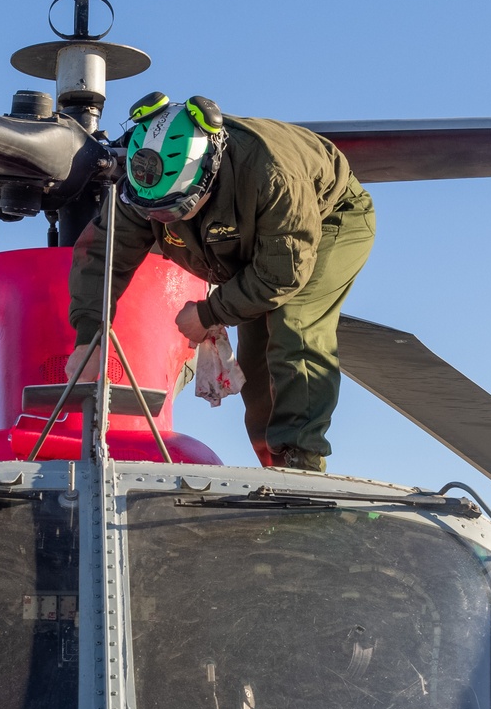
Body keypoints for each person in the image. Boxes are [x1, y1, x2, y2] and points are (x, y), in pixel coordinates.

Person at [67, 94, 375, 472]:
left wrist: (210, 312)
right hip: (248, 239)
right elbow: (102, 257)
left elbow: (282, 274)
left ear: (207, 172)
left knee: (293, 327)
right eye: (153, 211)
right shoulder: (144, 186)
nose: (161, 219)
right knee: (256, 361)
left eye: (172, 209)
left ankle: (302, 462)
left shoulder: (273, 176)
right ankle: (275, 464)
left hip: (327, 221)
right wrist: (89, 336)